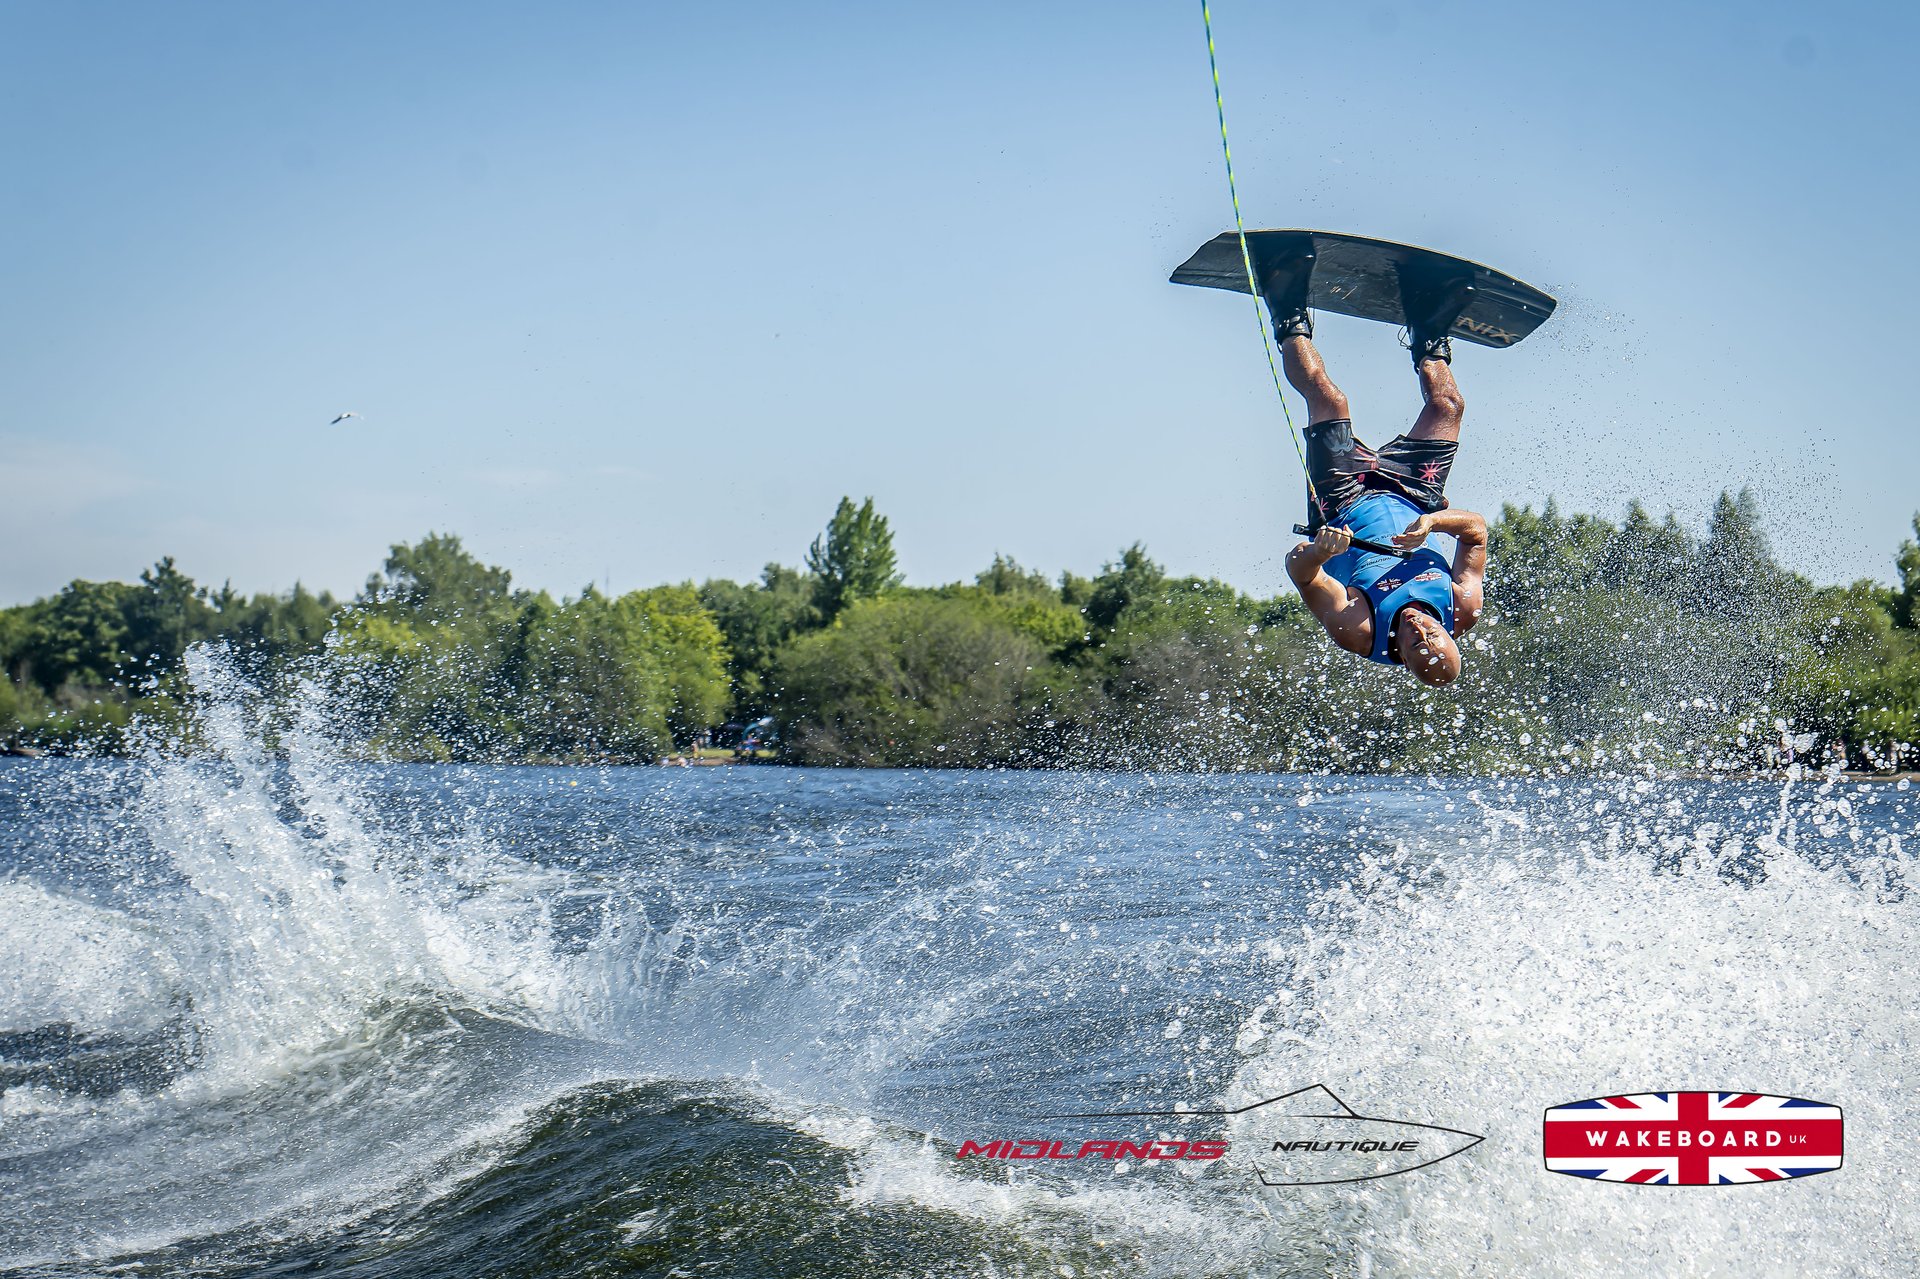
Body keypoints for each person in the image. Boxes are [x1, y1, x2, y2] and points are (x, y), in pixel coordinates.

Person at [1262, 251, 1488, 687]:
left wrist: (1321, 552)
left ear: (1401, 655)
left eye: (1417, 645)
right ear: (1450, 634)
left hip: (1342, 503)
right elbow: (1476, 529)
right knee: (1448, 406)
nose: (1422, 632)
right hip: (1412, 496)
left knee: (1329, 400)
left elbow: (1300, 573)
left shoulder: (1360, 630)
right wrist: (1432, 523)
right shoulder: (1462, 606)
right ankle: (1428, 330)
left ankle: (1285, 304)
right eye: (1435, 636)